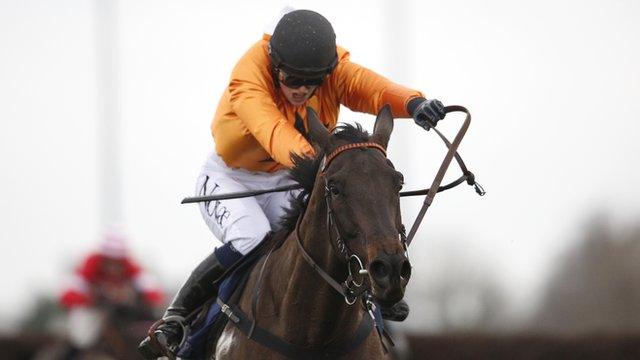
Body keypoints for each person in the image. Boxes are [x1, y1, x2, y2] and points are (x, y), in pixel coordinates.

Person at [140, 8, 446, 357]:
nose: (301, 89)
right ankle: (179, 321)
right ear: (274, 66)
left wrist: (414, 102)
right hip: (231, 177)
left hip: (292, 174)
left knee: (325, 231)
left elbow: (369, 87)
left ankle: (375, 304)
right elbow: (273, 132)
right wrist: (320, 163)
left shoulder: (335, 71)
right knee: (252, 235)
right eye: (292, 79)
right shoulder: (247, 79)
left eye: (312, 81)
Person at [60, 228, 164, 356]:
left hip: (123, 313)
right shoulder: (91, 263)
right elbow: (67, 294)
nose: (114, 266)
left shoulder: (131, 265)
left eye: (118, 261)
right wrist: (94, 298)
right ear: (103, 257)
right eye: (109, 260)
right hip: (96, 310)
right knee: (82, 336)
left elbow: (154, 295)